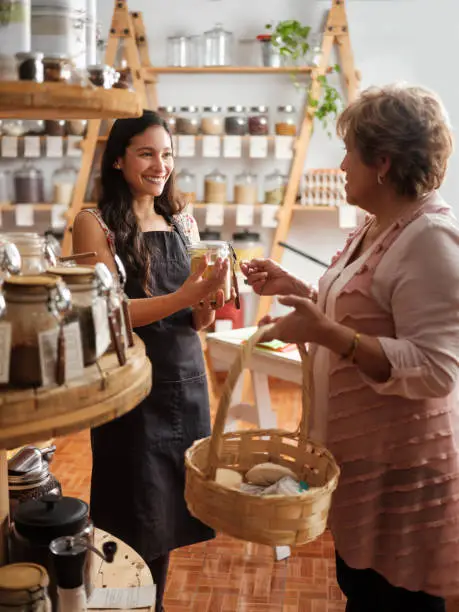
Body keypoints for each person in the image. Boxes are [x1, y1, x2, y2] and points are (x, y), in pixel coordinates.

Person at [241, 84, 459, 612]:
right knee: (362, 589)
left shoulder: (430, 237)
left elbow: (436, 370)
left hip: (406, 475)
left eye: (348, 152)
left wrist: (326, 333)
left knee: (396, 598)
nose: (340, 165)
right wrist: (295, 288)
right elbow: (359, 310)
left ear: (382, 161)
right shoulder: (378, 226)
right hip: (367, 463)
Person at [72, 110, 227, 612]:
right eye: (146, 153)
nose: (160, 165)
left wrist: (207, 302)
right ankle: (125, 606)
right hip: (130, 391)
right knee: (129, 518)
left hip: (186, 382)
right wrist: (187, 295)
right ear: (117, 159)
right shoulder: (93, 224)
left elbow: (195, 322)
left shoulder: (182, 221)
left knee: (167, 520)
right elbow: (108, 312)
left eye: (167, 154)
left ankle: (151, 605)